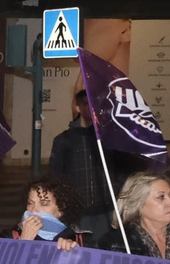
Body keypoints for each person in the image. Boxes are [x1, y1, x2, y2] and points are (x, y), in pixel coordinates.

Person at [50, 90, 136, 240]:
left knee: (106, 248)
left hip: (106, 207)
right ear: (77, 108)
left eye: (94, 104)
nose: (90, 108)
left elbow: (123, 168)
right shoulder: (64, 140)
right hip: (78, 210)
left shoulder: (108, 138)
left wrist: (117, 193)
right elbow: (56, 174)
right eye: (85, 104)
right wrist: (64, 202)